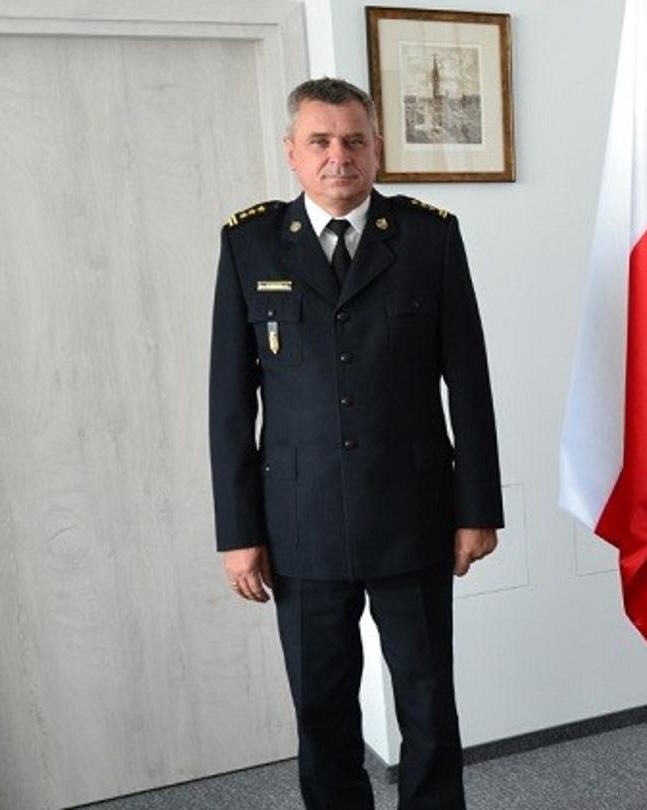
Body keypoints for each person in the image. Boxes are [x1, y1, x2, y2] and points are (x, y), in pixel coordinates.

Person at [208, 77, 502, 810]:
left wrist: (478, 510)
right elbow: (227, 400)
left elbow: (468, 382)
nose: (338, 155)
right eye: (320, 141)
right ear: (292, 153)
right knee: (323, 710)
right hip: (299, 522)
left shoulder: (430, 236)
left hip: (413, 513)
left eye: (352, 140)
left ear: (376, 148)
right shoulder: (250, 243)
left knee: (429, 707)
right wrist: (238, 532)